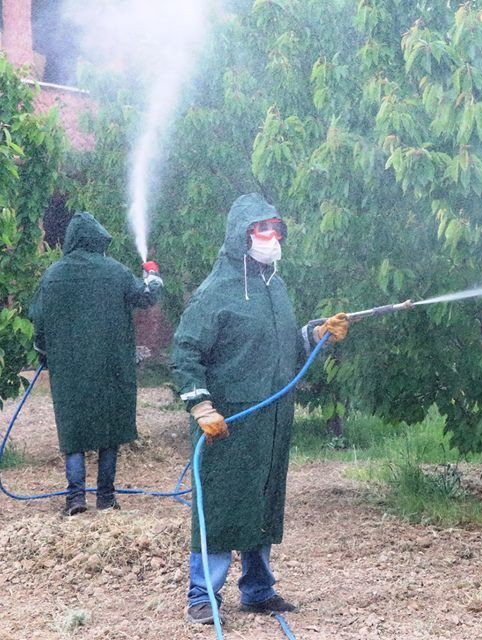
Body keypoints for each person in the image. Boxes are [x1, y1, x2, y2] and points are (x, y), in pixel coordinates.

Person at [171, 193, 348, 625]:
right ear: (240, 235)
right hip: (228, 423)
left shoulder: (275, 285)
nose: (271, 236)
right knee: (220, 504)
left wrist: (316, 332)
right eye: (260, 229)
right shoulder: (216, 292)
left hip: (271, 422)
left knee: (261, 502)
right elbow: (185, 351)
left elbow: (284, 346)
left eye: (275, 228)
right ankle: (203, 595)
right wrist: (201, 407)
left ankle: (257, 590)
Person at [29, 211, 163, 515]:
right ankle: (105, 497)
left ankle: (75, 499)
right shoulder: (116, 271)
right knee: (109, 428)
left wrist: (44, 353)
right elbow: (145, 298)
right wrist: (153, 277)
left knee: (73, 431)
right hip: (111, 368)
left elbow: (38, 319)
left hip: (69, 371)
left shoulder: (53, 275)